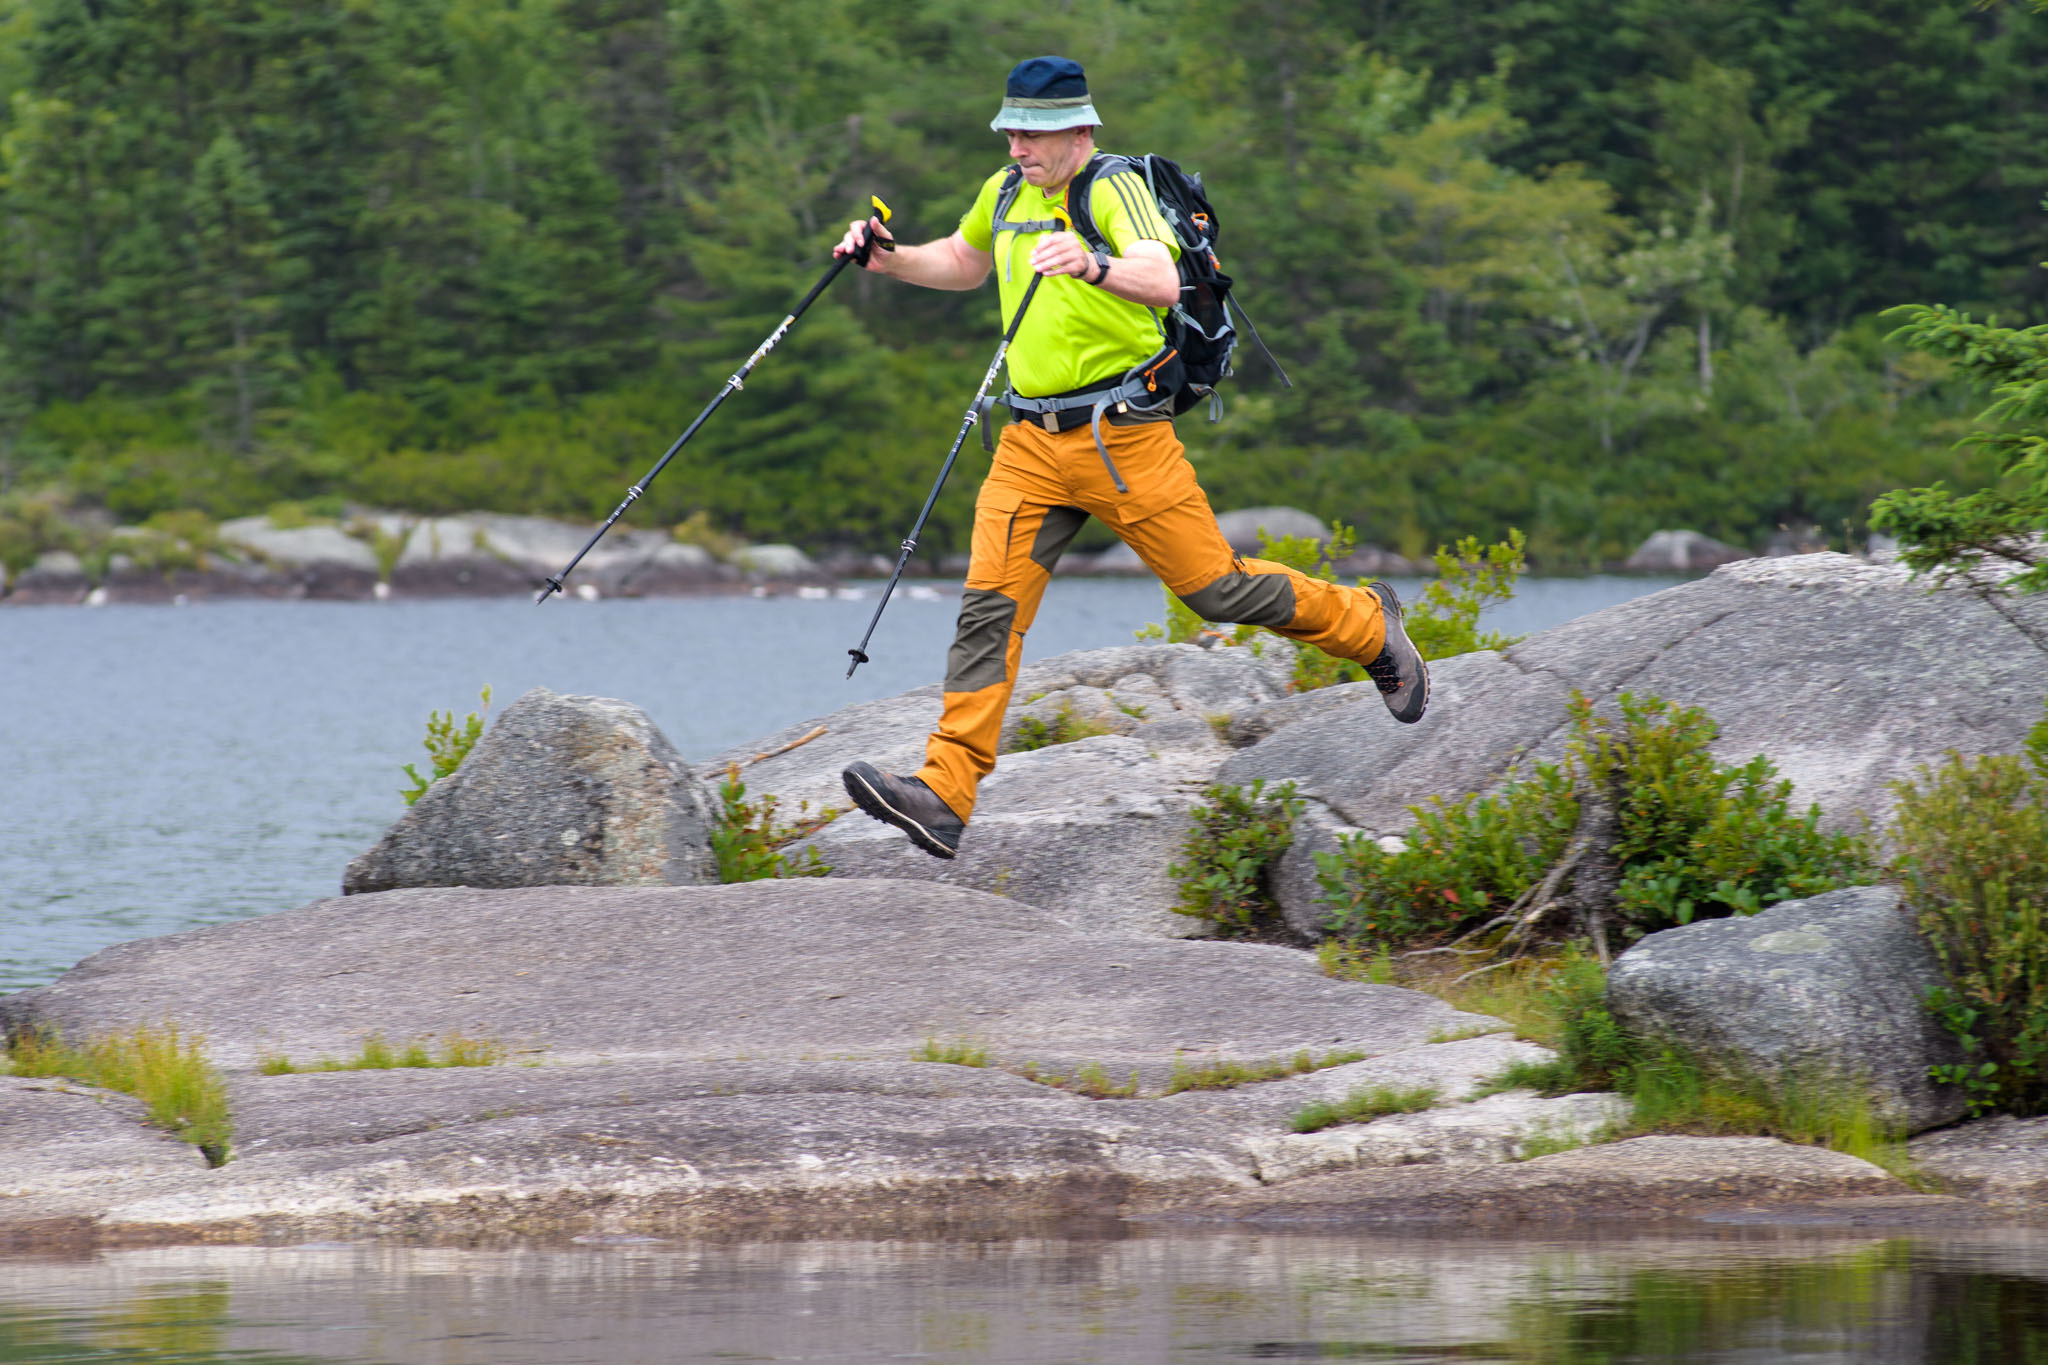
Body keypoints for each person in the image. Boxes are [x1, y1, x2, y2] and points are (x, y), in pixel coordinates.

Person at [832, 55, 1428, 860]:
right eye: (1011, 129)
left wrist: (1091, 262)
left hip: (1123, 434)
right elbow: (966, 262)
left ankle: (1368, 623)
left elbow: (1161, 275)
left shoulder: (1111, 187)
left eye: (1034, 132)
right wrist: (890, 258)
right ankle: (944, 791)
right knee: (988, 611)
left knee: (1215, 590)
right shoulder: (1004, 192)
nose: (1018, 146)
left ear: (1080, 129)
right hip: (1029, 444)